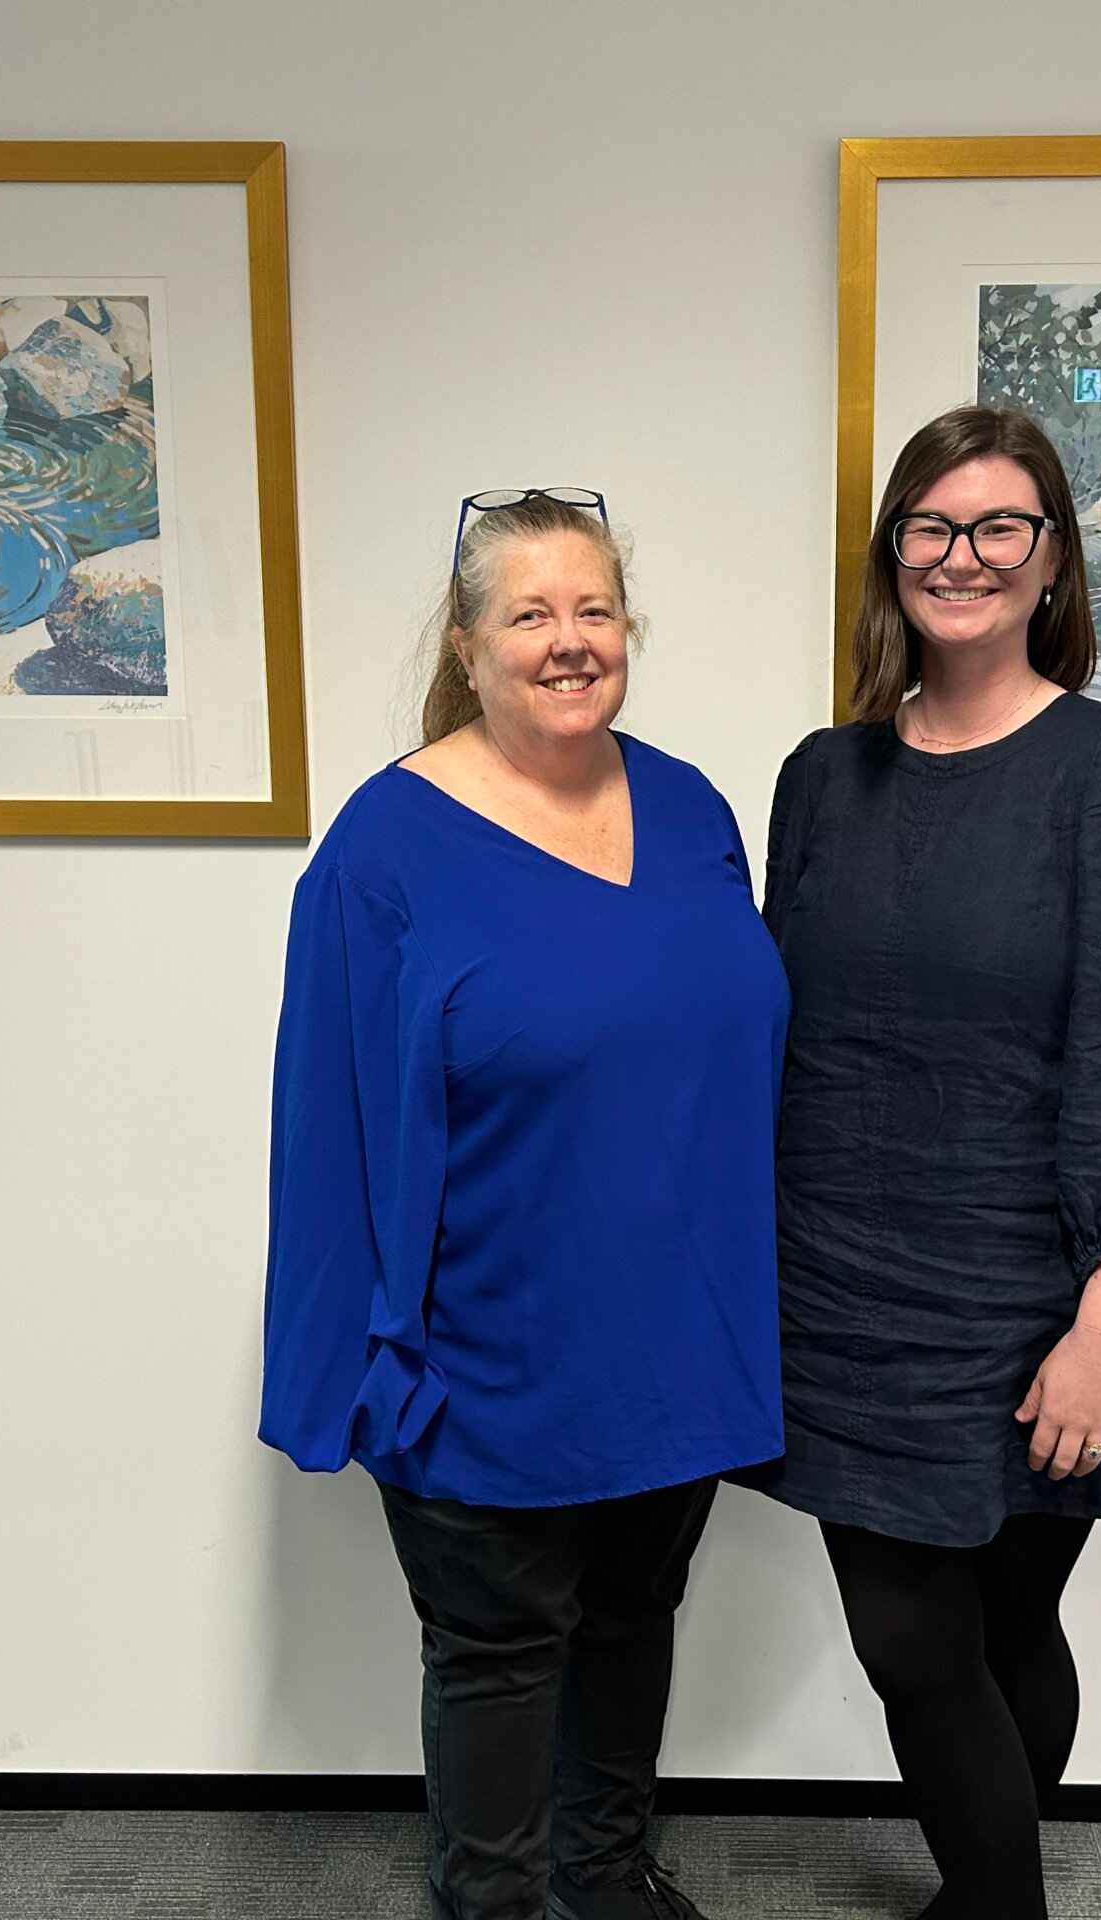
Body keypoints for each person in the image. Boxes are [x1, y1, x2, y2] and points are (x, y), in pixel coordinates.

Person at [737, 409, 1101, 1919]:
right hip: (842, 1281)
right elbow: (798, 1034)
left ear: (1050, 566)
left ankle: (988, 1908)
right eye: (932, 526)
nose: (962, 557)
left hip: (1042, 1290)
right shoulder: (821, 779)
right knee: (916, 1638)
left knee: (1001, 1621)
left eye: (1000, 528)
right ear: (892, 554)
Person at [260, 489, 788, 1920]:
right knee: (496, 1660)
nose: (571, 642)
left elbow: (722, 1056)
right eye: (532, 613)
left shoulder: (689, 810)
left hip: (673, 1345)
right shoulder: (386, 846)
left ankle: (607, 1882)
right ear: (470, 641)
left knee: (631, 1627)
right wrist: (353, 1371)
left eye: (596, 609)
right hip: (478, 1355)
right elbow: (327, 1128)